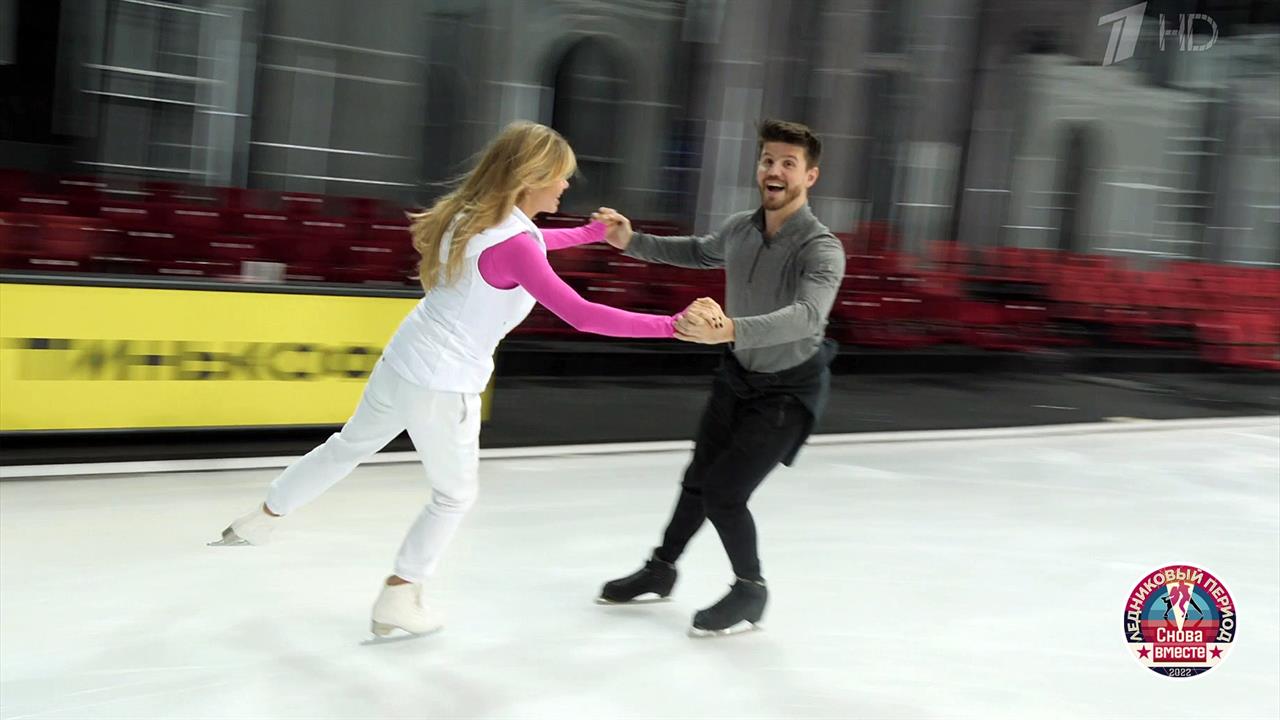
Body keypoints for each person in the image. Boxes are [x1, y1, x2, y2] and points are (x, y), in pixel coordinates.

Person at [210, 121, 713, 639]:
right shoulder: (514, 242)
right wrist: (671, 326)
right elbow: (581, 314)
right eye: (560, 176)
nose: (566, 186)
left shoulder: (473, 214)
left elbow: (531, 242)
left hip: (406, 357)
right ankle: (400, 594)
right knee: (454, 496)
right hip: (443, 381)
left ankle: (261, 517)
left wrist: (590, 234)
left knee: (349, 445)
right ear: (530, 176)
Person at [593, 119, 846, 636]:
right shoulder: (740, 228)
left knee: (725, 493)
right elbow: (696, 251)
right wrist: (630, 240)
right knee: (698, 480)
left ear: (810, 176)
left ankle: (751, 591)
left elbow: (806, 317)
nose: (774, 171)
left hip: (787, 391)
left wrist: (730, 329)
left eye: (788, 163)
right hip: (737, 377)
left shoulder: (821, 248)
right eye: (768, 160)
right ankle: (661, 569)